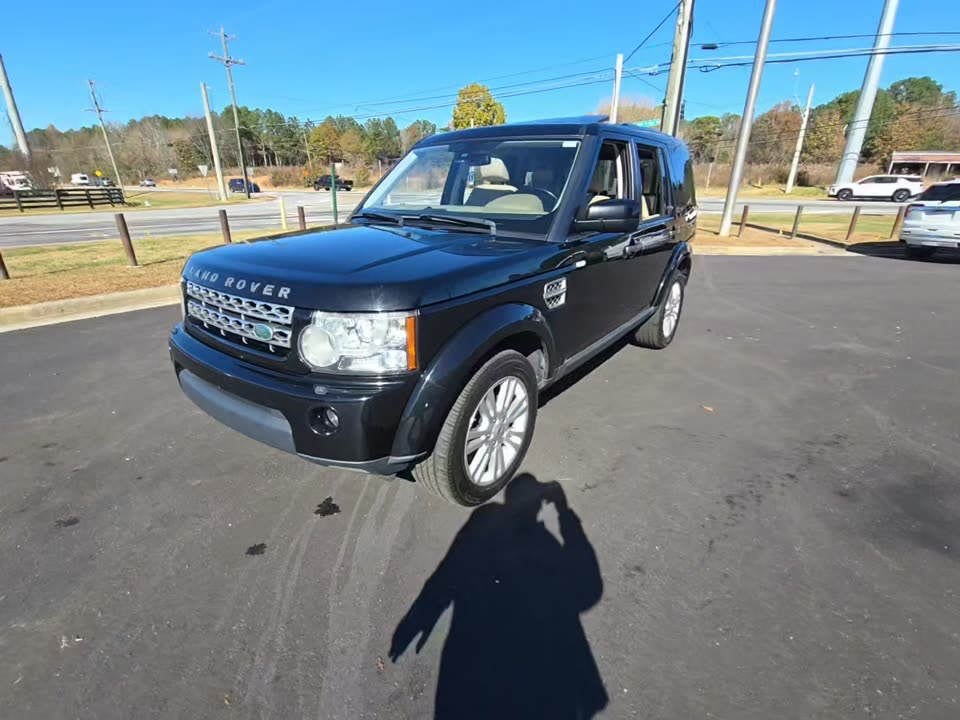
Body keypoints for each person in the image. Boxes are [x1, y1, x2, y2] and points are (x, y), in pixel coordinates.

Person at [390, 474, 608, 719]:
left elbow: (450, 568)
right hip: (531, 669)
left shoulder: (486, 518)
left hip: (474, 662)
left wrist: (420, 617)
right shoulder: (537, 538)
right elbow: (588, 589)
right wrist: (563, 512)